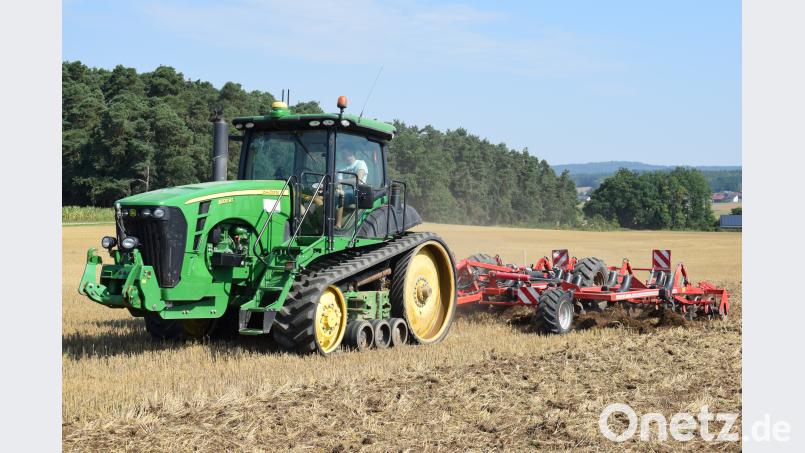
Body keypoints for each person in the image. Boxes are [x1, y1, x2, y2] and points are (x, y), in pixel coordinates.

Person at [336, 148, 368, 228]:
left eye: (345, 153)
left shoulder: (360, 163)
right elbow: (337, 181)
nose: (343, 156)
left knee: (341, 195)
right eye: (342, 154)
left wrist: (340, 182)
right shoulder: (340, 166)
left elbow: (358, 180)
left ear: (352, 153)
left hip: (357, 192)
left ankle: (338, 224)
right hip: (343, 191)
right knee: (324, 195)